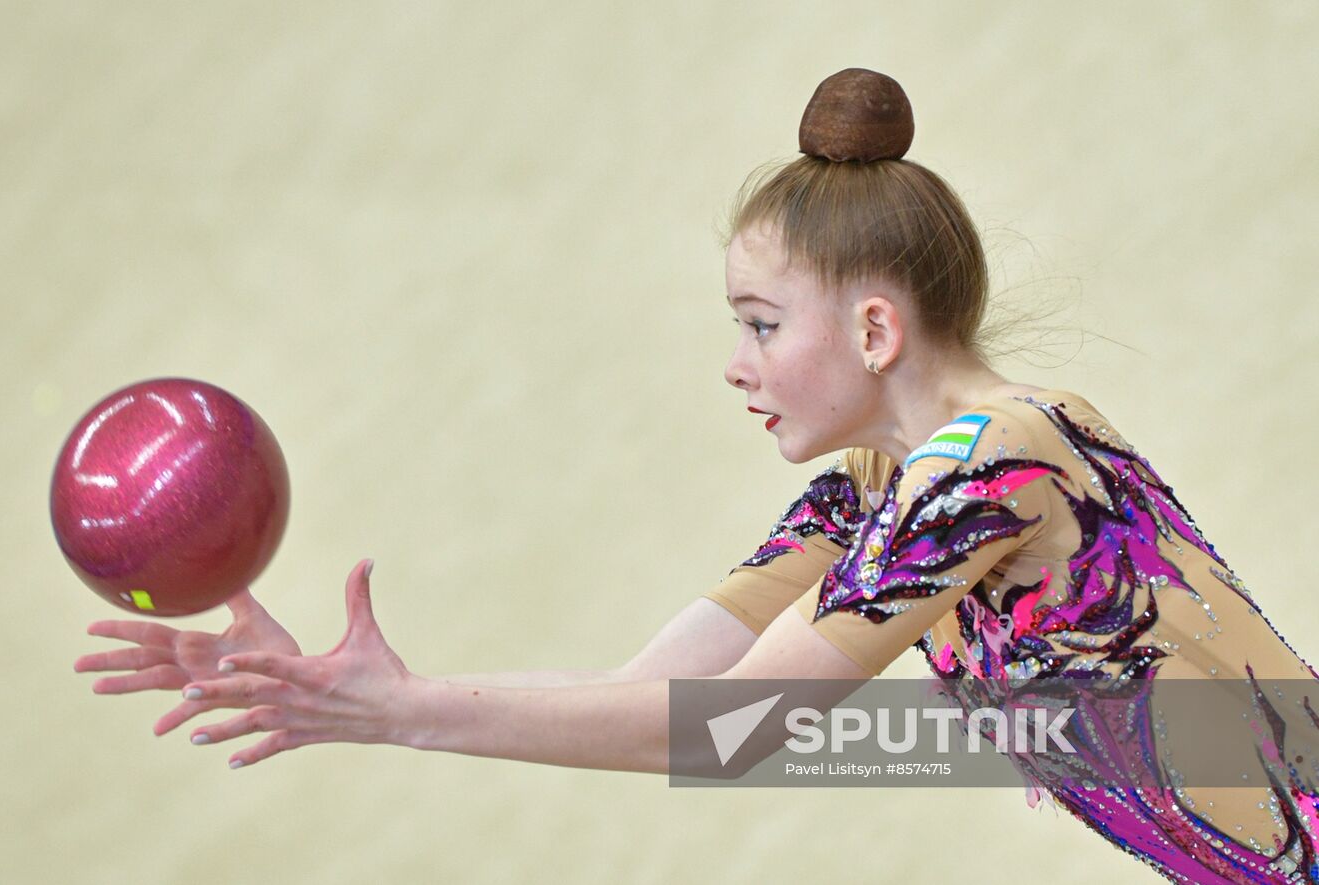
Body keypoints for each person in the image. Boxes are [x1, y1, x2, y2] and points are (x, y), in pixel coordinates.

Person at [73, 68, 1319, 883]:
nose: (735, 364)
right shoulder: (868, 503)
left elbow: (730, 738)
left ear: (875, 332)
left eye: (761, 323)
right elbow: (655, 704)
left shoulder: (994, 460)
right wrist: (381, 696)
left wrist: (397, 713)